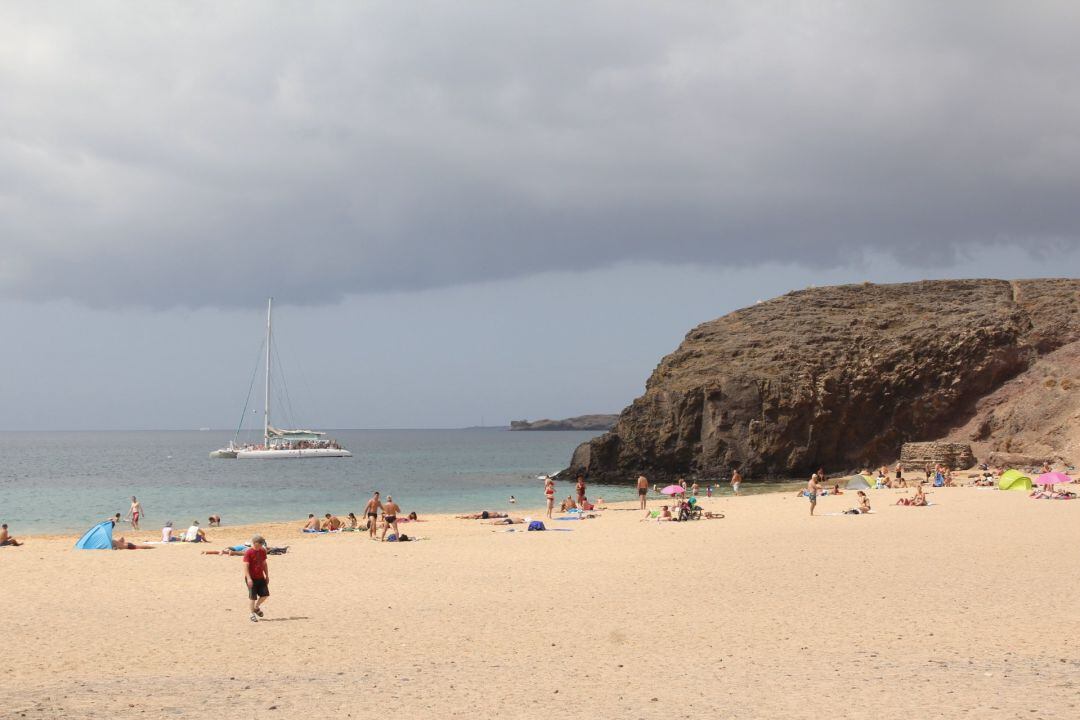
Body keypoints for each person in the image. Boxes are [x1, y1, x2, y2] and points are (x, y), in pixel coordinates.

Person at [243, 535, 270, 622]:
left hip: (261, 577)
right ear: (255, 543)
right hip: (251, 578)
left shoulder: (262, 551)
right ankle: (252, 614)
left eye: (262, 543)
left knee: (265, 595)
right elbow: (245, 566)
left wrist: (267, 575)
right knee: (252, 597)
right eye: (260, 543)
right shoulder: (248, 552)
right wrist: (249, 578)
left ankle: (256, 607)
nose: (262, 545)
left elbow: (264, 563)